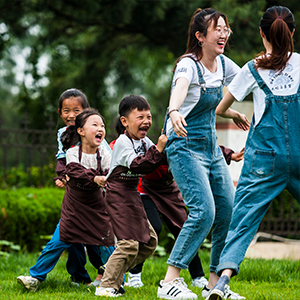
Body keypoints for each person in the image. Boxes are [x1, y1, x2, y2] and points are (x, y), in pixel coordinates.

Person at [207, 6, 300, 300]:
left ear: (262, 33)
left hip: (263, 158)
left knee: (244, 219)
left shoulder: (253, 68)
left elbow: (220, 107)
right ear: (292, 33)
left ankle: (221, 282)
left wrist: (235, 115)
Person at [157, 8, 246, 300]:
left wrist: (230, 111)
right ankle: (169, 281)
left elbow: (248, 79)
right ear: (200, 36)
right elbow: (180, 90)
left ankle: (215, 285)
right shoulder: (188, 65)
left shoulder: (222, 64)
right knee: (204, 211)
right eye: (216, 29)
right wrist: (172, 111)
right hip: (183, 145)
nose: (223, 34)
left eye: (225, 28)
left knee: (228, 210)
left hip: (210, 146)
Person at [17, 108, 115, 292]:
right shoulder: (72, 153)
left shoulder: (105, 153)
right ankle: (35, 277)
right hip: (74, 208)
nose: (100, 128)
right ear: (81, 131)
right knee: (57, 242)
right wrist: (95, 178)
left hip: (97, 207)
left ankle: (116, 278)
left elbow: (111, 173)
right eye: (94, 124)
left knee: (105, 243)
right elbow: (75, 171)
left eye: (102, 125)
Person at [127, 147, 244, 289]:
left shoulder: (178, 144)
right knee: (153, 229)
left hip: (168, 190)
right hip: (146, 190)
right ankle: (135, 274)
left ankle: (200, 277)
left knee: (185, 228)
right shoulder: (155, 145)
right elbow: (137, 164)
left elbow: (204, 142)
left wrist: (229, 154)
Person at [95, 95, 167, 297]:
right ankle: (106, 287)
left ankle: (111, 271)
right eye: (140, 117)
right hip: (117, 194)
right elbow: (138, 165)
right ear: (125, 121)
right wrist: (159, 149)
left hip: (132, 194)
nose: (146, 121)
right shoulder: (123, 143)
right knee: (128, 244)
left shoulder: (144, 141)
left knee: (150, 241)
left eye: (149, 116)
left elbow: (160, 157)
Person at [54, 88, 114, 286]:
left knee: (100, 237)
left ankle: (112, 271)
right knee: (72, 235)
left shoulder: (95, 133)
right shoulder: (62, 133)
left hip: (95, 192)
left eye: (77, 111)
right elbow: (62, 158)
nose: (71, 115)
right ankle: (79, 275)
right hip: (76, 192)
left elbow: (106, 158)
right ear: (60, 112)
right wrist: (62, 176)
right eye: (66, 110)